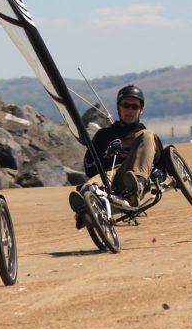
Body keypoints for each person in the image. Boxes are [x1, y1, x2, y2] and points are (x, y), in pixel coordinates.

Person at [68, 84, 164, 224]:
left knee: (148, 135)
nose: (129, 110)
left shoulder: (146, 137)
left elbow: (162, 164)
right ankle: (84, 205)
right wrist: (107, 155)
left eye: (134, 106)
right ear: (119, 107)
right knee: (93, 184)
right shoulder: (103, 135)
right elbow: (89, 167)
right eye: (126, 105)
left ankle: (137, 185)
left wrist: (158, 173)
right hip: (110, 177)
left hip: (133, 175)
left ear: (141, 110)